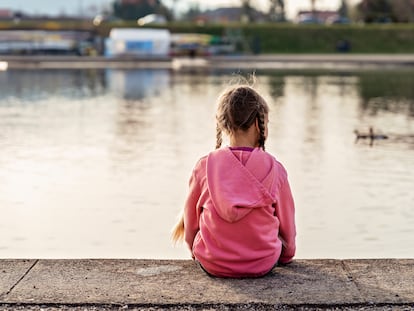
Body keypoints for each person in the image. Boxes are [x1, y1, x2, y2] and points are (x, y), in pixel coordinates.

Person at [172, 84, 296, 278]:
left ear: (222, 124)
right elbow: (287, 230)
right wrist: (286, 256)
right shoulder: (275, 169)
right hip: (262, 263)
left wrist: (196, 252)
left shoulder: (204, 166)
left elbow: (191, 225)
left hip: (213, 263)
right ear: (258, 124)